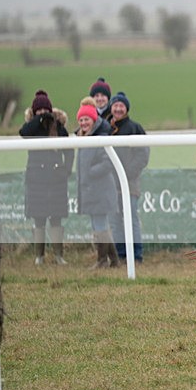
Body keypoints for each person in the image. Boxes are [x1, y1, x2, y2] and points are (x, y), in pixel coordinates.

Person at [18, 90, 75, 266]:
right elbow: (23, 133)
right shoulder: (31, 126)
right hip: (37, 179)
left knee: (56, 218)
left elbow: (69, 148)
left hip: (56, 179)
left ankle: (58, 255)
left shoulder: (58, 126)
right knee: (39, 218)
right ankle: (39, 257)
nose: (43, 112)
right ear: (34, 112)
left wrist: (66, 170)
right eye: (39, 109)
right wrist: (38, 120)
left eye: (45, 109)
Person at [75, 97, 119, 269]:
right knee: (99, 225)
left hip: (100, 190)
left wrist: (90, 172)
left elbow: (107, 162)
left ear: (93, 120)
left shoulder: (100, 137)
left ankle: (102, 261)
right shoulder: (81, 137)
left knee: (100, 225)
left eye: (86, 119)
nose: (84, 123)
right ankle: (113, 260)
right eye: (81, 120)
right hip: (91, 190)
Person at [107, 92, 150, 263]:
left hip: (130, 184)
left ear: (126, 109)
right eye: (115, 105)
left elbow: (143, 154)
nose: (118, 109)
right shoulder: (106, 128)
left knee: (131, 220)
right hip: (109, 185)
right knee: (115, 222)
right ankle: (120, 255)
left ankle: (136, 255)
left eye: (121, 106)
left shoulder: (135, 128)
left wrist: (126, 173)